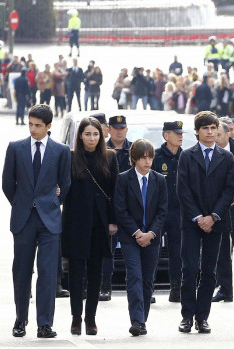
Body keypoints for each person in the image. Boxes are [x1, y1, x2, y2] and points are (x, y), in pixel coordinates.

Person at [1, 104, 72, 339]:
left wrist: (51, 202)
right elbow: (7, 184)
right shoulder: (16, 148)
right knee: (21, 271)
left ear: (49, 126)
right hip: (23, 218)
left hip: (50, 219)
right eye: (30, 124)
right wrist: (22, 203)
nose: (33, 129)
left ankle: (45, 324)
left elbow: (66, 183)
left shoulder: (61, 151)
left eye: (38, 125)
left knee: (48, 272)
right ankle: (20, 320)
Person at [176, 111, 234, 333]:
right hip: (192, 222)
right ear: (198, 131)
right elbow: (183, 189)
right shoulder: (187, 156)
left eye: (213, 128)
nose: (210, 132)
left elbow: (229, 190)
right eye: (206, 128)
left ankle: (202, 317)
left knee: (209, 272)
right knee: (190, 269)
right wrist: (199, 217)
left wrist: (213, 216)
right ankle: (187, 316)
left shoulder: (226, 157)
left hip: (216, 222)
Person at [61, 117, 117, 336]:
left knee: (96, 272)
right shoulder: (71, 157)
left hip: (100, 222)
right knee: (75, 272)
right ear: (80, 136)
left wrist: (113, 221)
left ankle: (90, 318)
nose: (92, 138)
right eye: (87, 134)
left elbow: (114, 192)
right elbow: (64, 186)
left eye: (96, 134)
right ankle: (76, 317)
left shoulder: (109, 157)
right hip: (75, 221)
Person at [113, 139, 168, 336]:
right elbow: (120, 210)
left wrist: (151, 233)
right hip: (130, 237)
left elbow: (162, 211)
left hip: (152, 237)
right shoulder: (123, 179)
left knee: (147, 279)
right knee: (134, 276)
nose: (147, 162)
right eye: (143, 158)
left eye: (150, 157)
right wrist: (137, 233)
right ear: (134, 159)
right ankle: (136, 320)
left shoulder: (159, 180)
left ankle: (142, 318)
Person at [213, 119, 234, 303]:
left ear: (228, 134)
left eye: (218, 134)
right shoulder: (211, 153)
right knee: (222, 250)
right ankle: (225, 290)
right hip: (219, 207)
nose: (215, 138)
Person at [100, 115, 132, 301]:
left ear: (126, 129)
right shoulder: (101, 149)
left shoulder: (134, 149)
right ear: (109, 129)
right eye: (116, 128)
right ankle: (106, 286)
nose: (119, 131)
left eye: (122, 128)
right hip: (108, 205)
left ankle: (138, 285)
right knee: (107, 250)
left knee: (132, 249)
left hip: (130, 207)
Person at [152, 121, 185, 303]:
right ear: (166, 135)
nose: (180, 136)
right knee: (153, 251)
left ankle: (176, 289)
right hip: (158, 212)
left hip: (178, 211)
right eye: (176, 133)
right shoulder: (156, 156)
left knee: (177, 252)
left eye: (181, 133)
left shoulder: (186, 156)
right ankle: (149, 288)